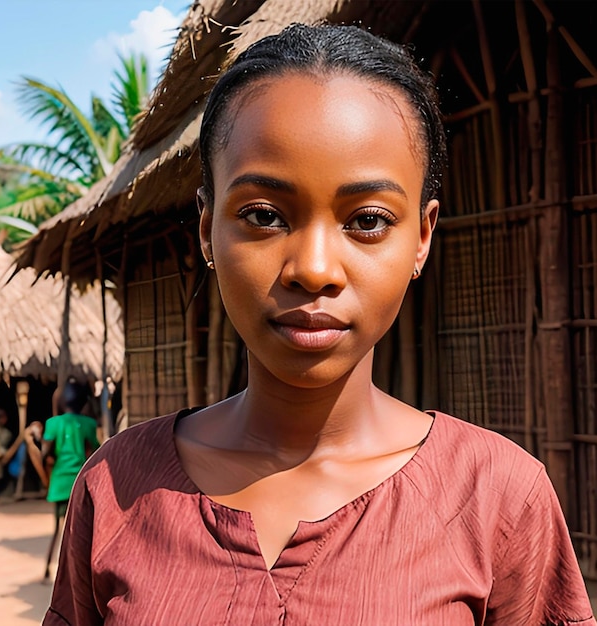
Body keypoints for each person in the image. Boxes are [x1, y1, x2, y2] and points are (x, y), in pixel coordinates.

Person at [43, 24, 595, 625]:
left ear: (422, 236)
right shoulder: (116, 486)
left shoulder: (497, 498)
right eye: (263, 215)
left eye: (367, 220)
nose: (313, 269)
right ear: (207, 228)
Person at [33, 378, 99, 580]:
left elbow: (45, 453)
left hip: (60, 481)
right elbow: (95, 451)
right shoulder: (89, 423)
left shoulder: (53, 423)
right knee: (82, 529)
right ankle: (79, 572)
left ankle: (47, 568)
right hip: (80, 481)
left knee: (57, 529)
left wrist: (38, 440)